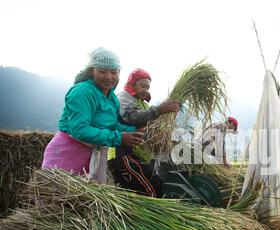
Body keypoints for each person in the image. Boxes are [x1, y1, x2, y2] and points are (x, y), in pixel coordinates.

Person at [42, 47, 143, 183]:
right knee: (61, 200)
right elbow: (80, 129)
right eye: (102, 71)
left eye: (113, 72)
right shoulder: (82, 92)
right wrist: (119, 138)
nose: (108, 77)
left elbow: (112, 125)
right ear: (91, 71)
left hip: (93, 155)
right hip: (67, 154)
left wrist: (135, 131)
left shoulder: (111, 97)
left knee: (88, 202)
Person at [107, 68, 179, 197]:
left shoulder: (142, 103)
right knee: (151, 190)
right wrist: (160, 110)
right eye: (143, 86)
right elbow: (131, 116)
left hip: (138, 153)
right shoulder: (124, 97)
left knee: (147, 187)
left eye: (148, 87)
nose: (146, 90)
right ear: (132, 84)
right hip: (122, 153)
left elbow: (149, 122)